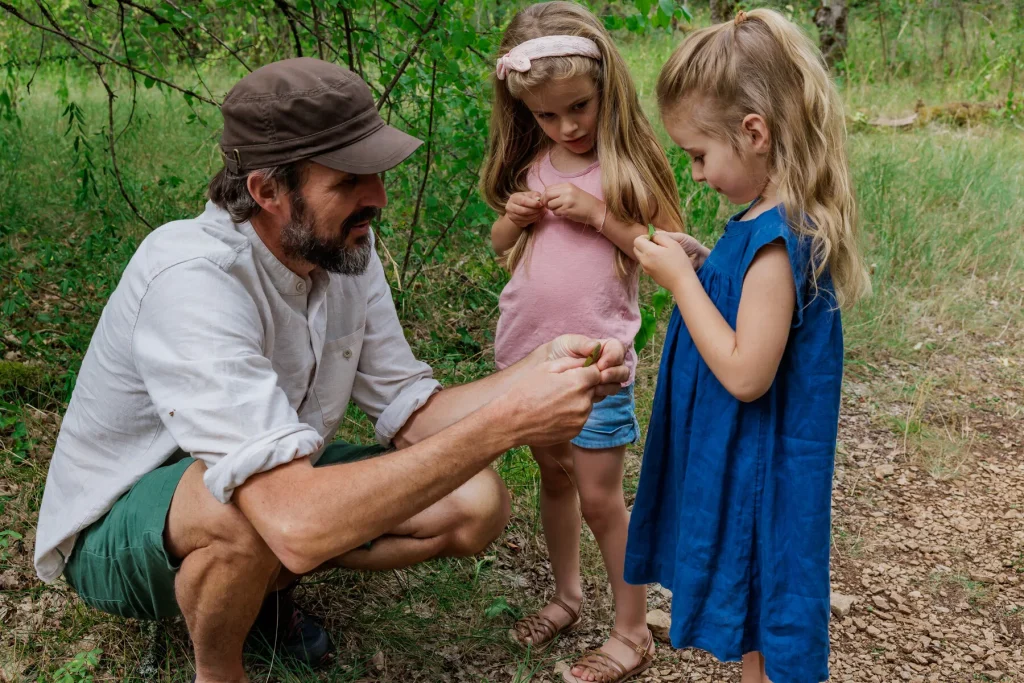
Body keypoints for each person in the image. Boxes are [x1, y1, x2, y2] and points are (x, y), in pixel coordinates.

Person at [32, 58, 631, 683]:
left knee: (474, 503)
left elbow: (410, 407)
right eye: (349, 181)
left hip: (275, 483)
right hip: (120, 529)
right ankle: (221, 667)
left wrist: (539, 366)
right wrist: (506, 423)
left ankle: (254, 588)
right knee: (248, 511)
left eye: (375, 174)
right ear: (266, 190)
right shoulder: (192, 278)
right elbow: (294, 520)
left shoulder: (341, 247)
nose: (376, 198)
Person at [625, 9, 870, 683]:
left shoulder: (775, 239)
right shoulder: (767, 220)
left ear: (754, 132)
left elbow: (745, 372)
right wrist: (705, 263)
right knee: (756, 617)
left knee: (766, 596)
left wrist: (680, 284)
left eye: (699, 156)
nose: (696, 174)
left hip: (761, 467)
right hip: (750, 458)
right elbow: (750, 302)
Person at [481, 3, 686, 682]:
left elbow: (668, 251)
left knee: (601, 496)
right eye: (547, 115)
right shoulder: (535, 162)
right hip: (528, 355)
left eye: (579, 107)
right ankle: (568, 594)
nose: (566, 125)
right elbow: (499, 245)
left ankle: (632, 630)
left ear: (607, 90)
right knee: (553, 475)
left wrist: (601, 216)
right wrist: (512, 219)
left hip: (596, 363)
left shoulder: (626, 163)